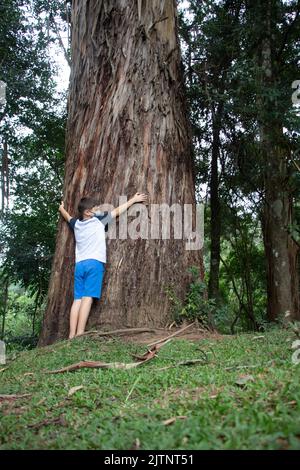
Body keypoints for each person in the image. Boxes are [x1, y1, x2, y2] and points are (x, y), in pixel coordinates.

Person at [58, 192, 148, 339]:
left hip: (79, 265)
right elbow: (118, 210)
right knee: (88, 298)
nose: (99, 210)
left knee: (77, 299)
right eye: (96, 208)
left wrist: (61, 209)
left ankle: (71, 334)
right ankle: (80, 333)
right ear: (88, 212)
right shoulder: (98, 220)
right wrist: (134, 199)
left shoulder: (77, 224)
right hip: (94, 263)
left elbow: (68, 217)